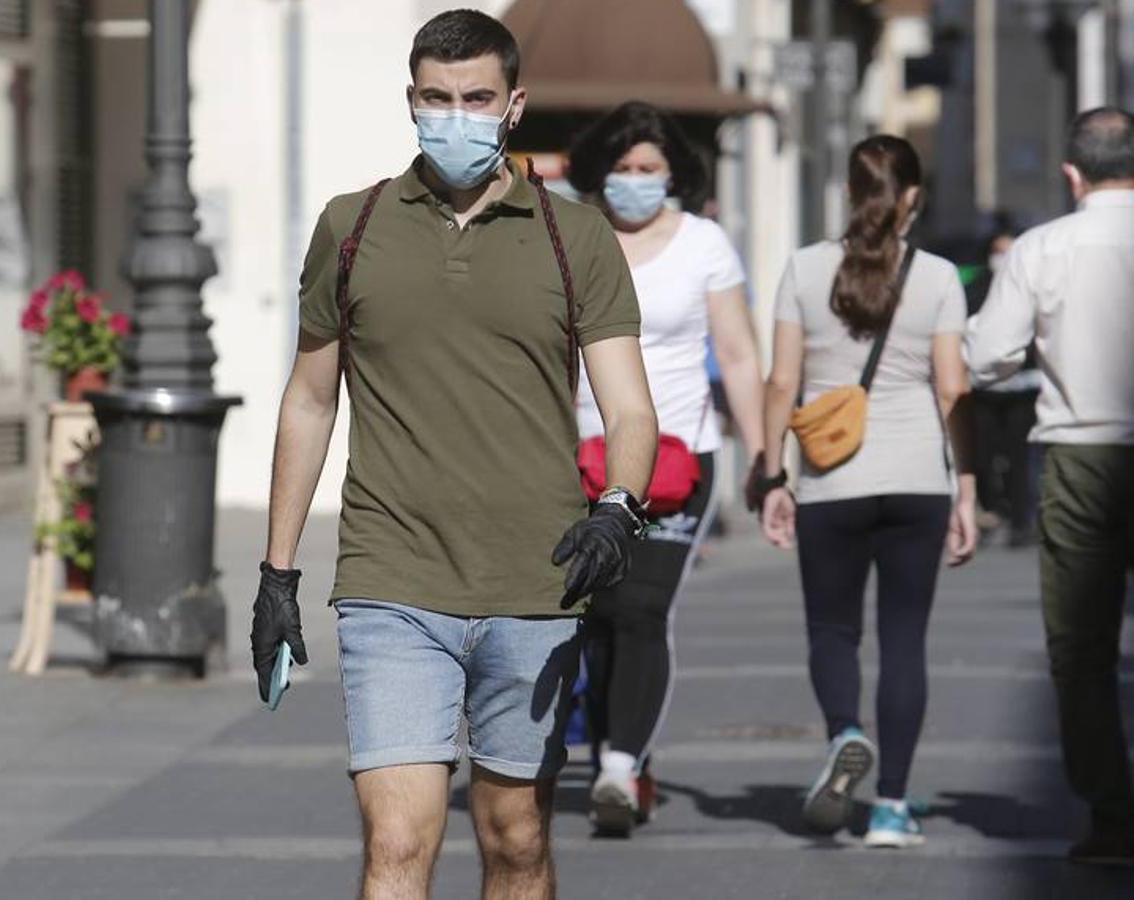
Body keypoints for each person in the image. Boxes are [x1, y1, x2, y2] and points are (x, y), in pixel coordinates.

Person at [249, 10, 659, 898]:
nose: (456, 116)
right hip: (391, 581)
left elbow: (628, 405)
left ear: (514, 104)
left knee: (516, 841)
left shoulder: (573, 235)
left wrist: (618, 506)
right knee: (396, 842)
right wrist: (277, 573)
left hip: (536, 581)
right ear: (411, 101)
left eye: (477, 98)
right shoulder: (351, 228)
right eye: (437, 99)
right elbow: (311, 398)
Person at [755, 135, 977, 849]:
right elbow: (952, 389)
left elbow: (780, 383)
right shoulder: (940, 276)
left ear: (850, 193)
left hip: (830, 479)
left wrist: (773, 475)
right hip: (918, 477)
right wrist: (966, 485)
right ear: (912, 197)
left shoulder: (804, 268)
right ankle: (890, 807)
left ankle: (846, 734)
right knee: (904, 639)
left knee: (833, 631)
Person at [564, 101, 765, 835]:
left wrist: (766, 455)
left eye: (649, 169)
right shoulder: (571, 237)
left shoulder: (705, 243)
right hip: (582, 455)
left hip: (680, 457)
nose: (636, 182)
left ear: (673, 172)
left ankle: (618, 766)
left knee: (643, 608)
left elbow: (738, 355)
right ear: (598, 173)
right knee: (599, 613)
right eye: (622, 169)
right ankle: (622, 757)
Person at [966, 107, 1134, 867]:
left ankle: (1111, 813)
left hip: (1080, 454)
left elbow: (987, 355)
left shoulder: (1042, 247)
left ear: (1072, 173)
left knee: (1081, 645)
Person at [967, 225, 1041, 546]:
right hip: (983, 390)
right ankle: (994, 509)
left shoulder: (1032, 288)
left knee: (1020, 455)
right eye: (998, 252)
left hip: (1023, 388)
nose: (1002, 259)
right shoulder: (976, 289)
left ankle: (1020, 519)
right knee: (983, 452)